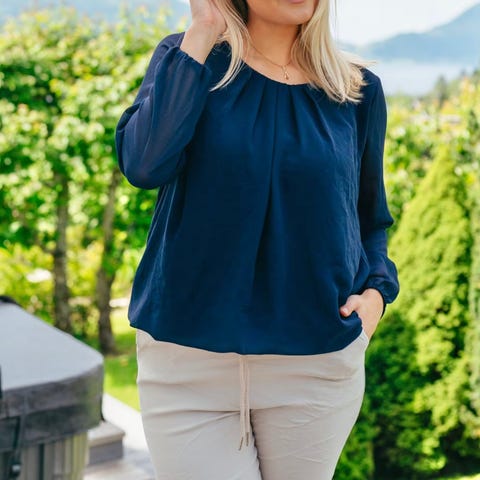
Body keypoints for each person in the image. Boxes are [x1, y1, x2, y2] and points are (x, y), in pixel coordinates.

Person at [115, 0, 399, 478]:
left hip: (315, 366)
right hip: (189, 365)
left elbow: (368, 216)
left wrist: (375, 296)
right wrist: (204, 28)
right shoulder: (191, 60)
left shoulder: (357, 90)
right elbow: (144, 164)